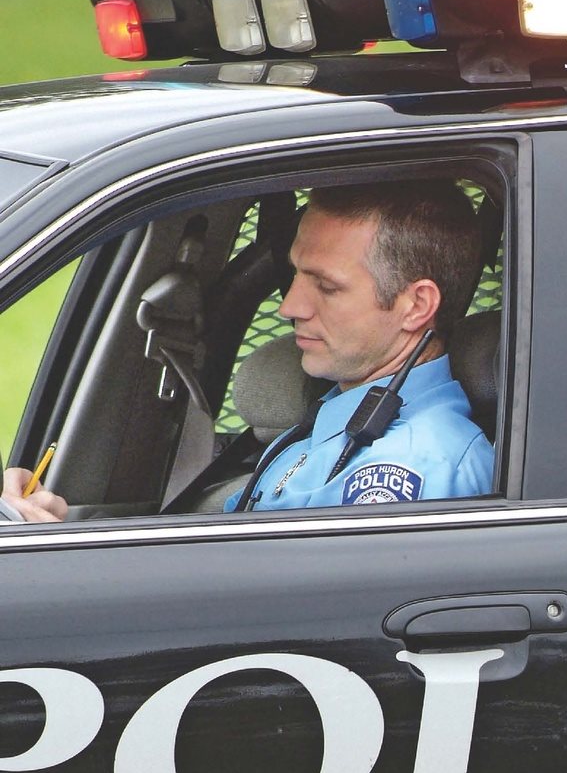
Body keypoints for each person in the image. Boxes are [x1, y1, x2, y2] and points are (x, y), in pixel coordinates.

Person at [4, 181, 495, 522]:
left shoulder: (417, 466)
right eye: (295, 274)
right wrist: (53, 533)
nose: (289, 306)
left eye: (325, 286)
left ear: (416, 306)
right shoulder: (331, 425)